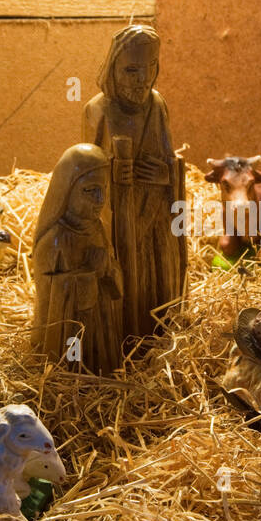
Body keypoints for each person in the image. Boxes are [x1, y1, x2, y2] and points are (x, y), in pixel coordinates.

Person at [82, 25, 185, 342]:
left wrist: (167, 175)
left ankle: (162, 336)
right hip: (119, 222)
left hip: (157, 220)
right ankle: (127, 340)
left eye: (150, 66)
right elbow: (86, 172)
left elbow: (172, 161)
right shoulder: (98, 111)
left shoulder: (157, 106)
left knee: (159, 277)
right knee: (128, 282)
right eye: (131, 70)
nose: (142, 78)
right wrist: (113, 175)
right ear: (113, 67)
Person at [31, 143, 124, 376]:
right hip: (68, 340)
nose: (100, 199)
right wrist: (87, 275)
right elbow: (49, 296)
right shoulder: (55, 240)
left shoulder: (98, 229)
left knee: (102, 369)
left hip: (101, 330)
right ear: (67, 189)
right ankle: (74, 374)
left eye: (103, 189)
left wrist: (108, 270)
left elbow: (115, 281)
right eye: (89, 190)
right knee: (74, 365)